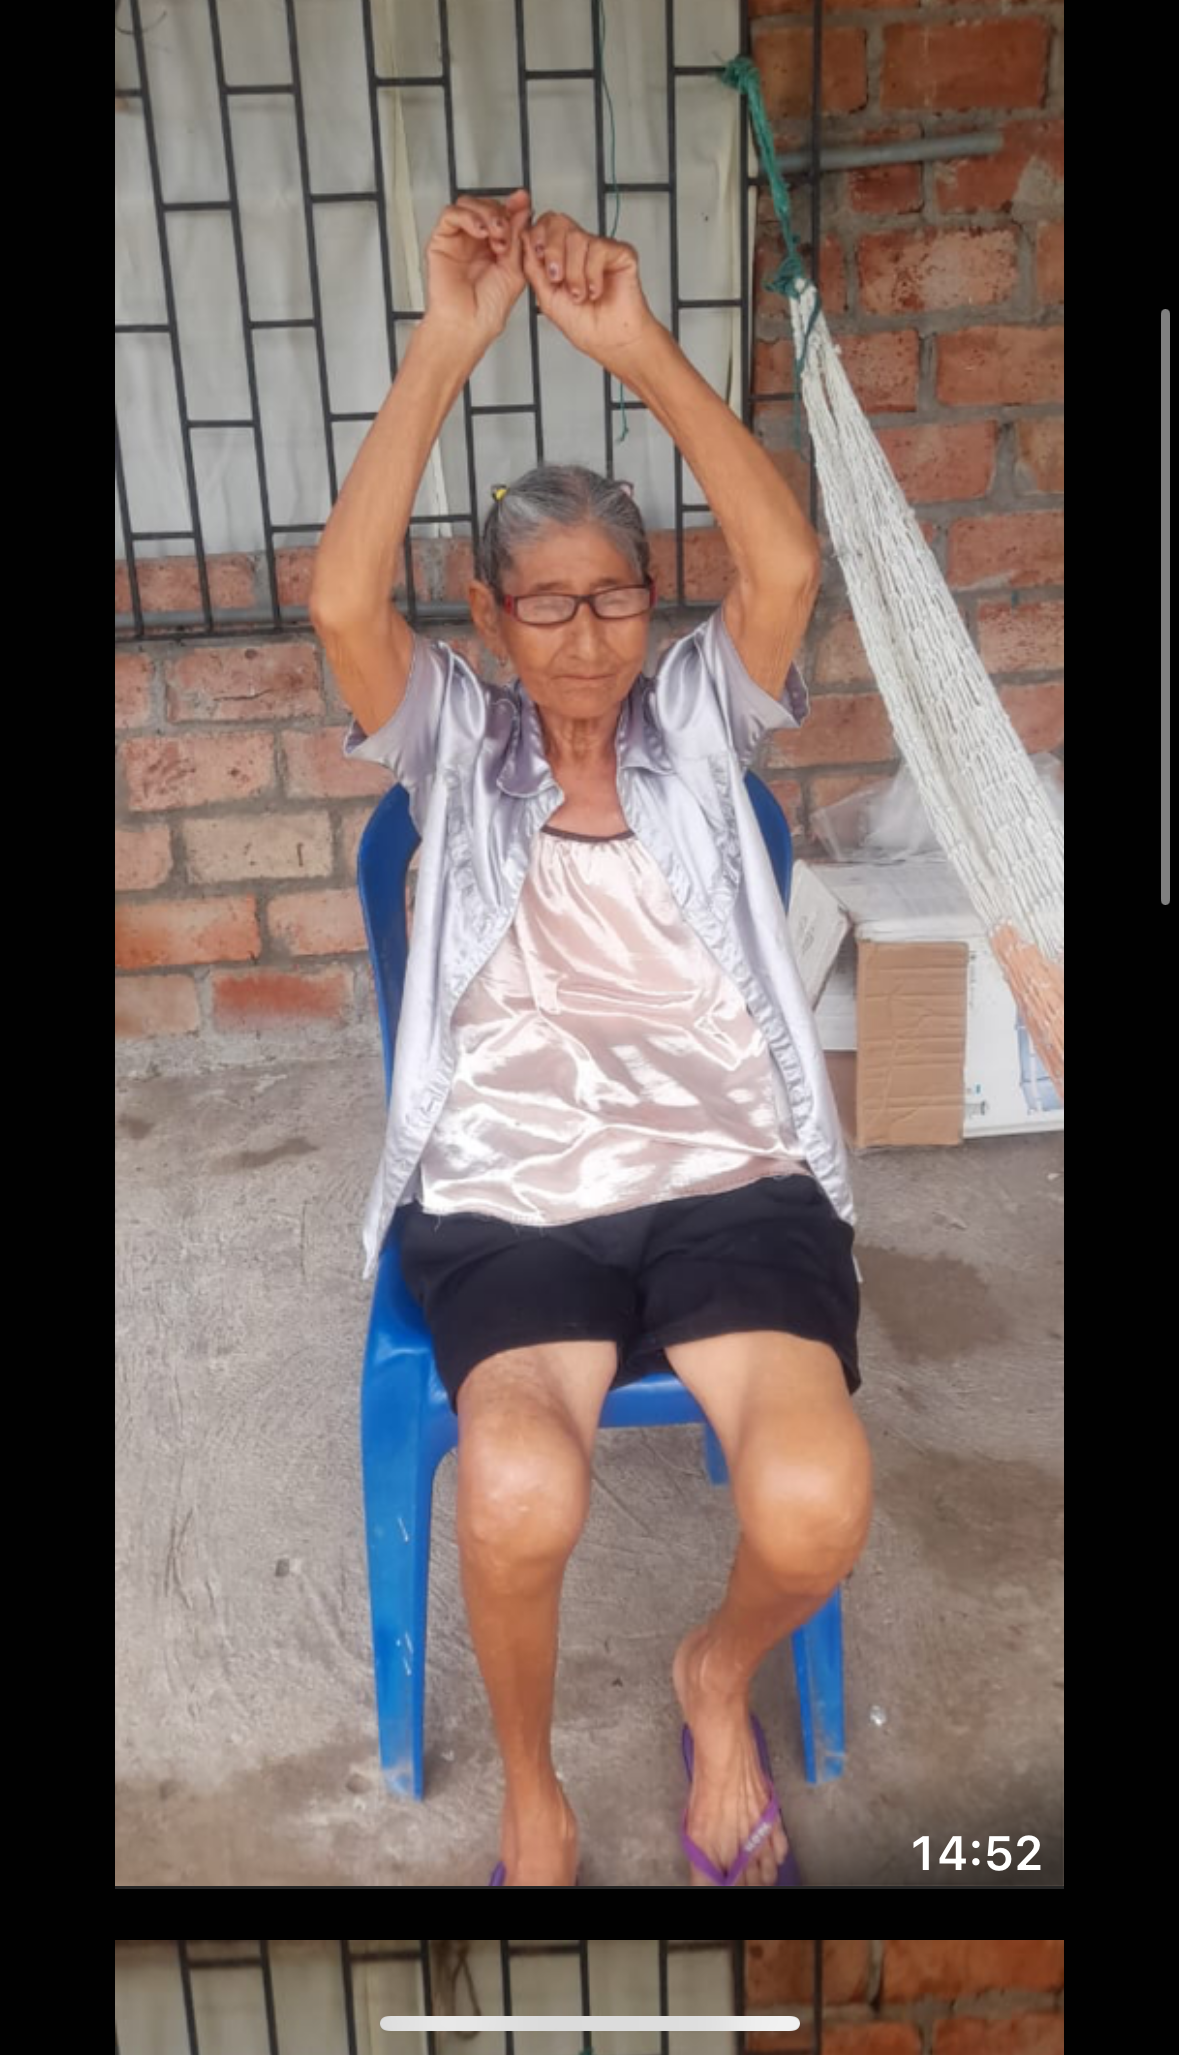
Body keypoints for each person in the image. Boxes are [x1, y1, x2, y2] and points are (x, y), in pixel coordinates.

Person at [310, 187, 872, 1886]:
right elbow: (342, 609)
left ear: (649, 607)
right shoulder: (452, 745)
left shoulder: (697, 721)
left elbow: (783, 566)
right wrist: (447, 344)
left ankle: (715, 1677)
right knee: (515, 1492)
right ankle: (532, 1790)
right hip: (511, 1188)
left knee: (813, 1504)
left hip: (726, 1172)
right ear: (489, 621)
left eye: (614, 598)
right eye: (542, 606)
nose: (583, 637)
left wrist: (631, 348)